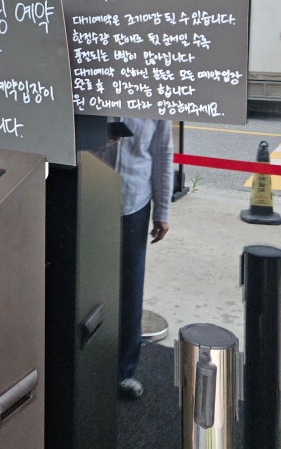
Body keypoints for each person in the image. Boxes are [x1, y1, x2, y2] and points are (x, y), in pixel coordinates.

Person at [115, 117, 174, 399]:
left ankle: (124, 371)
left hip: (132, 202)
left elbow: (162, 152)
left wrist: (163, 210)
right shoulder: (91, 91)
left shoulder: (153, 97)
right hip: (86, 195)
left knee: (130, 289)